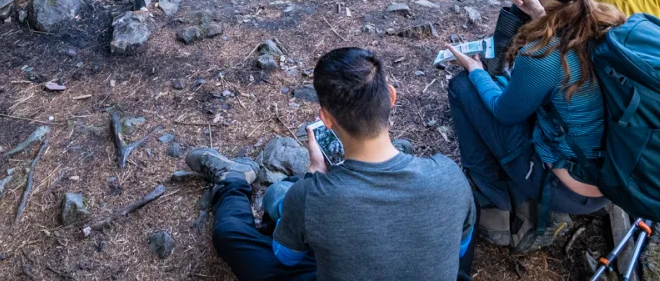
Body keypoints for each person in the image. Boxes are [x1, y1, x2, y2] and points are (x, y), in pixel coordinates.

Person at [191, 47, 476, 281]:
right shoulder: (449, 175)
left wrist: (314, 175)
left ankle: (233, 181)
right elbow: (460, 248)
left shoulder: (312, 197)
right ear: (391, 96)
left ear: (326, 118)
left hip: (317, 224)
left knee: (230, 233)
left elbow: (286, 257)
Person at [447, 0, 623, 244]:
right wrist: (539, 13)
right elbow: (567, 50)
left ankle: (493, 206)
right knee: (505, 85)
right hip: (613, 176)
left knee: (463, 88)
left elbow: (505, 113)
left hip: (570, 190)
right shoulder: (608, 19)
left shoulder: (541, 53)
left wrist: (474, 70)